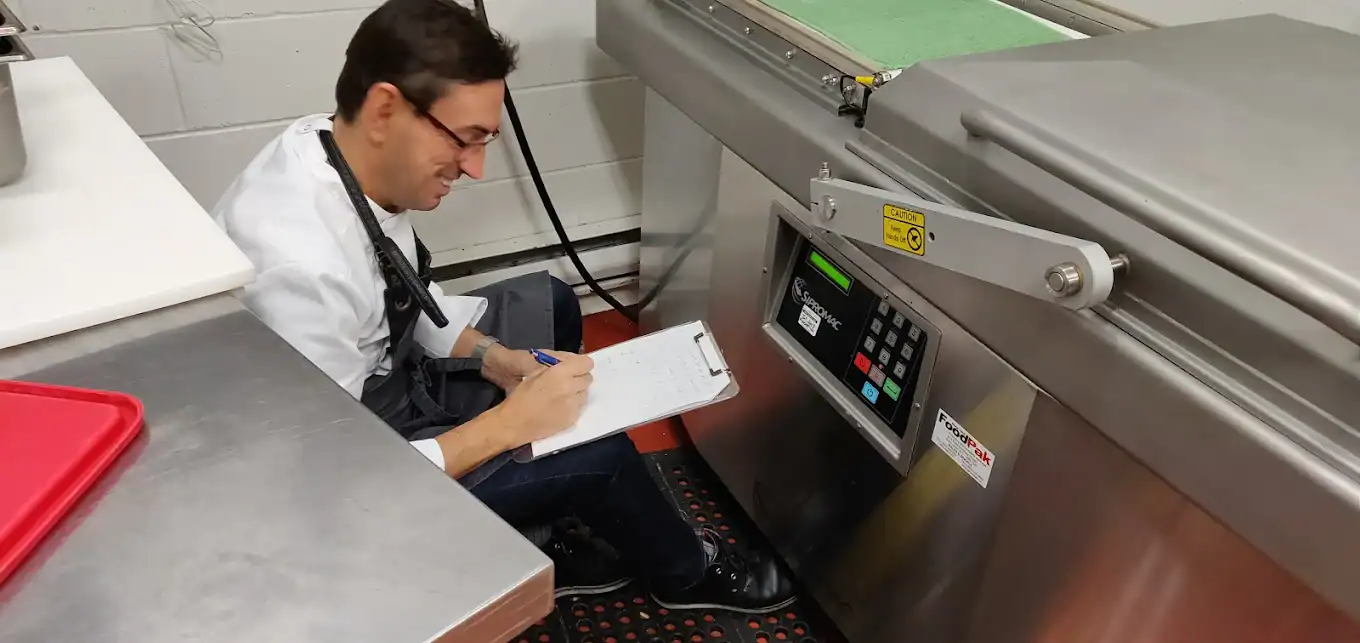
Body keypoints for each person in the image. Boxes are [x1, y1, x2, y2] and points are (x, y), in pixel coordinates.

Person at [212, 0, 795, 614]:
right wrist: (512, 426)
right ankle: (687, 574)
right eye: (464, 140)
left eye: (485, 140)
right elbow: (342, 482)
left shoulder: (336, 148)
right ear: (385, 109)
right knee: (601, 456)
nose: (476, 167)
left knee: (552, 302)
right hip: (348, 479)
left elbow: (395, 294)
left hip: (381, 384)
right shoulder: (300, 269)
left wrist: (498, 360)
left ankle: (535, 528)